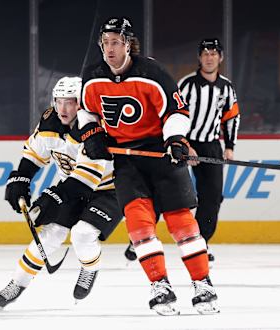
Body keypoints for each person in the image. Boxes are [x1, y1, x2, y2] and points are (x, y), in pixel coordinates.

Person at [77, 17, 219, 315]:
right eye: (105, 43)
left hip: (160, 154)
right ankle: (159, 285)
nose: (109, 49)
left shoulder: (151, 72)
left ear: (128, 44)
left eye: (116, 42)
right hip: (127, 161)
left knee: (180, 221)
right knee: (139, 225)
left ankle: (202, 283)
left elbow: (176, 110)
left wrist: (175, 140)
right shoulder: (92, 77)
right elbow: (87, 113)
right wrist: (92, 134)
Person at [0, 76, 122, 310]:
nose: (62, 108)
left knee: (82, 234)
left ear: (81, 103)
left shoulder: (93, 128)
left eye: (70, 102)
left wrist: (53, 197)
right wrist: (21, 178)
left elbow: (86, 179)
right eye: (59, 101)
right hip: (71, 187)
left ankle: (89, 269)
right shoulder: (50, 122)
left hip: (107, 190)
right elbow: (34, 154)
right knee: (50, 234)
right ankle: (16, 283)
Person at [178, 38, 240, 267]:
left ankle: (201, 242)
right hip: (185, 143)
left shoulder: (226, 87)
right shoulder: (186, 85)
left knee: (212, 197)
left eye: (214, 53)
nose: (209, 57)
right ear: (199, 57)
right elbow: (175, 115)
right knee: (167, 191)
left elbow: (231, 117)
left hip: (211, 145)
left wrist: (230, 147)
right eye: (205, 53)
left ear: (220, 58)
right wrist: (185, 145)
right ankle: (142, 237)